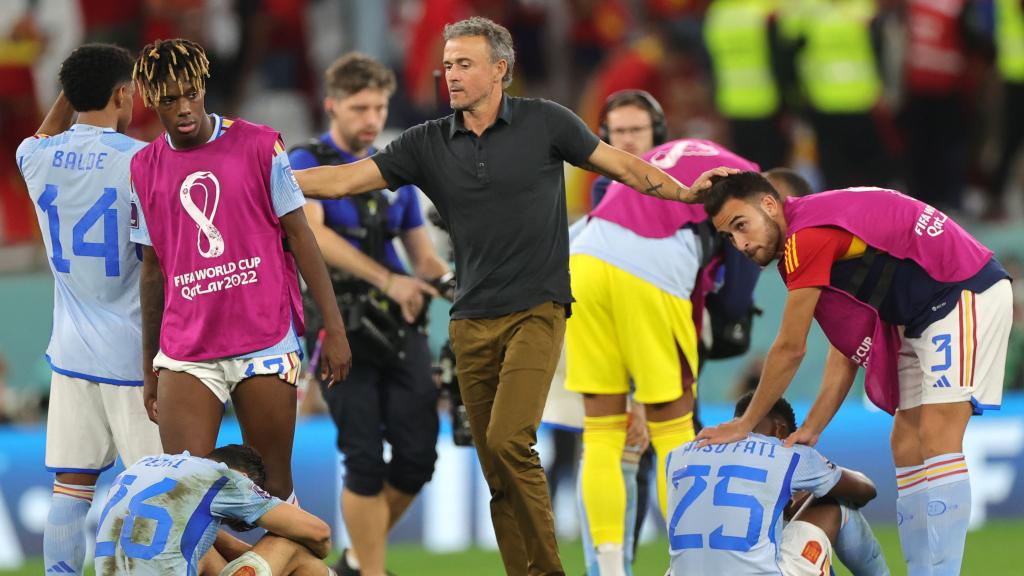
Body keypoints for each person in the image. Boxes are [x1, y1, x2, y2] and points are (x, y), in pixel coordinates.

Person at [293, 17, 728, 576]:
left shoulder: (546, 122)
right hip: (470, 319)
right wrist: (262, 170)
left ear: (500, 69)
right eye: (447, 64)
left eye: (464, 63)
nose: (450, 74)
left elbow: (622, 166)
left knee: (507, 439)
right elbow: (344, 180)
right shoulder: (425, 142)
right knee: (495, 467)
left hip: (537, 310)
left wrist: (685, 192)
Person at [695, 172, 1012, 575]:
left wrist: (744, 423)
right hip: (920, 314)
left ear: (770, 205)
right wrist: (811, 428)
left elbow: (791, 347)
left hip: (961, 287)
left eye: (741, 226)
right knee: (905, 442)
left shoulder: (804, 239)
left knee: (936, 432)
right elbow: (844, 349)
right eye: (729, 237)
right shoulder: (811, 228)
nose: (740, 244)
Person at [129, 38, 352, 504]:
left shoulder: (259, 144)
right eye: (169, 100)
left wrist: (333, 325)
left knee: (272, 488)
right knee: (186, 496)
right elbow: (152, 272)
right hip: (186, 349)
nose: (184, 108)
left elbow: (301, 236)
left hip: (263, 340)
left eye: (191, 93)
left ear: (204, 86)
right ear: (151, 102)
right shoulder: (142, 168)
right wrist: (149, 364)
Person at [288, 52, 451, 576]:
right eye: (360, 107)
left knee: (417, 456)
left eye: (380, 107)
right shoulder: (306, 162)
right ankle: (372, 572)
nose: (372, 119)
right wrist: (389, 279)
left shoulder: (394, 168)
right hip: (336, 326)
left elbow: (423, 256)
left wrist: (453, 285)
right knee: (361, 455)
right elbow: (313, 234)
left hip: (398, 325)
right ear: (332, 105)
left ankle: (358, 558)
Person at [567, 136, 760, 575]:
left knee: (600, 433)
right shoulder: (749, 180)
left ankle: (610, 569)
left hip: (583, 261)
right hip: (652, 267)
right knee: (672, 428)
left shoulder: (669, 153)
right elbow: (734, 302)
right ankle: (693, 565)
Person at [15, 44, 163, 575]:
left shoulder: (33, 159)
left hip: (70, 352)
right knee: (156, 493)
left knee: (70, 488)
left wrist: (72, 88)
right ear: (124, 94)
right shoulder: (144, 159)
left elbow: (42, 135)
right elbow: (154, 267)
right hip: (131, 353)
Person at [667, 393, 887, 575]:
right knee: (836, 505)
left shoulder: (680, 453)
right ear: (781, 430)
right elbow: (866, 490)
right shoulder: (785, 452)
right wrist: (813, 487)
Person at [94, 444, 334, 575]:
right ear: (244, 477)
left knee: (205, 553)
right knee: (289, 544)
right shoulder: (224, 477)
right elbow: (320, 533)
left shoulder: (142, 465)